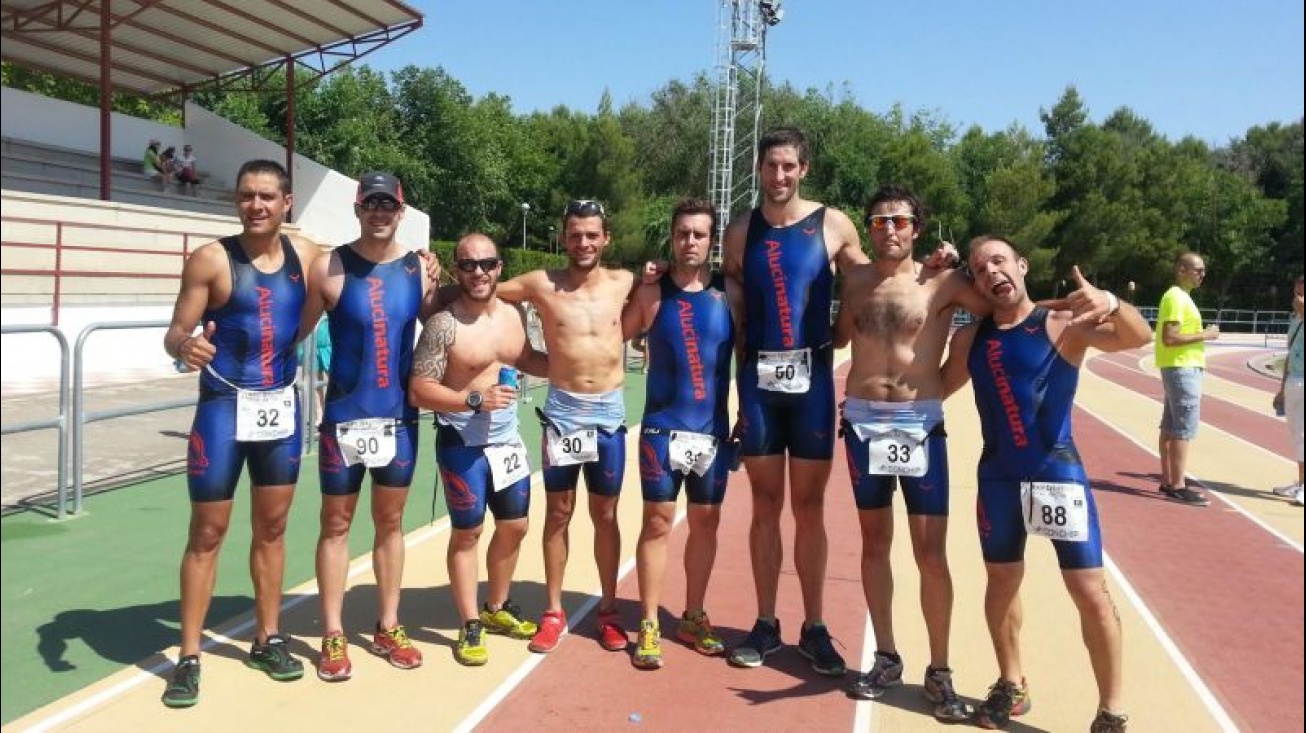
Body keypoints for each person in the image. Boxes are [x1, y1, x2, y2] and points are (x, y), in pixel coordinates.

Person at [941, 236, 1150, 733]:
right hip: (997, 477)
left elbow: (1138, 337)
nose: (991, 271)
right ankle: (1011, 684)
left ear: (1022, 265)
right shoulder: (974, 337)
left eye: (998, 260)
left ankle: (1111, 711)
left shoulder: (1064, 324)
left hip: (1057, 473)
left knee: (1089, 591)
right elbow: (939, 384)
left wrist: (1114, 303)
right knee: (1001, 582)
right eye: (978, 267)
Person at [159, 159, 323, 707]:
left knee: (272, 529)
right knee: (206, 533)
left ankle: (267, 637)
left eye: (266, 197)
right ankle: (188, 656)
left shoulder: (309, 257)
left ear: (286, 203)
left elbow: (368, 264)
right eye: (247, 195)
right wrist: (186, 346)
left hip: (278, 408)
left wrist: (424, 265)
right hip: (223, 409)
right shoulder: (211, 258)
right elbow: (176, 331)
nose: (256, 205)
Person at [832, 185, 991, 716]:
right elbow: (835, 337)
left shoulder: (943, 281)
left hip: (919, 425)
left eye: (899, 221)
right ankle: (887, 656)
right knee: (874, 544)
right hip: (862, 425)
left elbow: (1003, 306)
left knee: (930, 553)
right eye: (878, 222)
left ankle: (940, 670)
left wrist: (952, 373)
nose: (889, 230)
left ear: (917, 228)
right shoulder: (854, 280)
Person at [719, 126, 870, 676]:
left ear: (803, 170)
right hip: (758, 387)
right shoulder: (740, 232)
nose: (778, 176)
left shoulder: (832, 225)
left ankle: (815, 626)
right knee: (763, 507)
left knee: (809, 509)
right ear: (758, 170)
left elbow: (871, 278)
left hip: (813, 387)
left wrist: (934, 271)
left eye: (788, 166)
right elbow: (731, 283)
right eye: (770, 166)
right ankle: (764, 623)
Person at [298, 171, 438, 681]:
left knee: (391, 524)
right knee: (335, 525)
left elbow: (444, 325)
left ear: (400, 211)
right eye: (370, 204)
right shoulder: (329, 266)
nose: (379, 213)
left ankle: (388, 624)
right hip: (344, 420)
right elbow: (295, 330)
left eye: (389, 205)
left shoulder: (419, 270)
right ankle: (333, 633)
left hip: (399, 420)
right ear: (357, 208)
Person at [486, 199, 637, 655]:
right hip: (563, 413)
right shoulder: (540, 283)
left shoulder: (625, 281)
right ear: (563, 237)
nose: (584, 242)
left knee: (606, 514)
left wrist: (661, 265)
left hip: (608, 412)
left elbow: (669, 286)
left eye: (592, 234)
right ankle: (553, 610)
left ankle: (608, 610)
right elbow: (485, 288)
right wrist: (436, 284)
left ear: (605, 238)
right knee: (558, 512)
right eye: (575, 234)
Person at [409, 233, 550, 665]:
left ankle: (496, 607)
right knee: (468, 532)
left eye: (486, 264)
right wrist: (474, 399)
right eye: (468, 265)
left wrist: (575, 358)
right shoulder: (443, 325)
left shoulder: (513, 314)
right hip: (462, 445)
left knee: (516, 526)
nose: (478, 273)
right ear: (457, 270)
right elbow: (419, 390)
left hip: (507, 442)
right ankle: (471, 621)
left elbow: (528, 359)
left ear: (499, 268)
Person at [620, 198, 737, 669]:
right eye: (682, 233)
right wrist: (639, 283)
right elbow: (617, 336)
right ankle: (648, 621)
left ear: (712, 241)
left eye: (699, 234)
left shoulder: (731, 292)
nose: (690, 241)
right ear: (672, 237)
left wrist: (749, 414)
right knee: (657, 523)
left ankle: (692, 616)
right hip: (661, 431)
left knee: (706, 524)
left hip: (712, 433)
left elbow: (746, 353)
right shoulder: (654, 293)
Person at [1155, 252, 1220, 506]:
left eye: (1203, 270)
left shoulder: (1180, 298)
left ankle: (1168, 479)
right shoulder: (1176, 298)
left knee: (1170, 425)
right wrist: (1206, 334)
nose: (1202, 275)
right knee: (1183, 427)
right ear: (1181, 270)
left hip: (1180, 366)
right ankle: (1178, 485)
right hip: (1182, 367)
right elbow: (1169, 337)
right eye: (1197, 270)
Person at [1271, 274, 1304, 506]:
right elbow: (1290, 353)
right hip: (1294, 379)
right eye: (1298, 289)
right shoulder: (1295, 318)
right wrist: (1282, 388)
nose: (1299, 294)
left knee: (1304, 435)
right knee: (1296, 434)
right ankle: (1300, 482)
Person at [313, 315, 332, 425]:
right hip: (311, 340)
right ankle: (319, 414)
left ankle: (332, 412)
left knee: (332, 379)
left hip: (326, 339)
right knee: (314, 379)